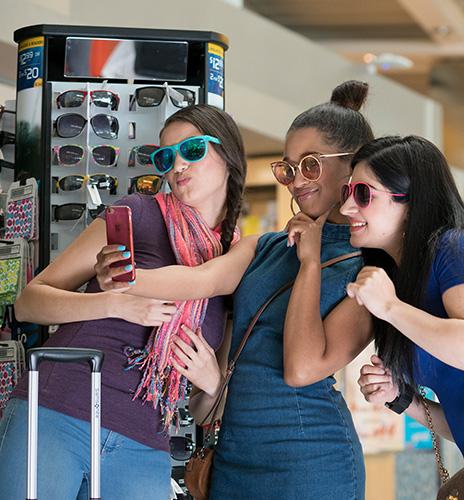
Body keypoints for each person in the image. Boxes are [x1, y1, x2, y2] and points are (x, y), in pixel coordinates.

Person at [95, 80, 375, 499]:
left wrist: (312, 262)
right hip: (233, 454)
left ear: (352, 165)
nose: (297, 181)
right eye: (289, 168)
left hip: (311, 459)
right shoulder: (263, 247)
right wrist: (125, 277)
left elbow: (302, 370)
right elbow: (199, 281)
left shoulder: (367, 269)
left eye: (311, 165)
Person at [0, 104, 246, 499]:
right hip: (58, 408)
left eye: (193, 150)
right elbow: (30, 302)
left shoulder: (236, 263)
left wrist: (212, 383)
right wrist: (113, 304)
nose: (178, 164)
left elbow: (203, 410)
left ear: (229, 154)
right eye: (167, 157)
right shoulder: (137, 215)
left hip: (143, 442)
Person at [341, 135, 464, 465]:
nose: (346, 208)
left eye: (363, 194)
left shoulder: (456, 248)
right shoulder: (402, 280)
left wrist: (389, 306)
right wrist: (400, 398)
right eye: (347, 192)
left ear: (411, 201)